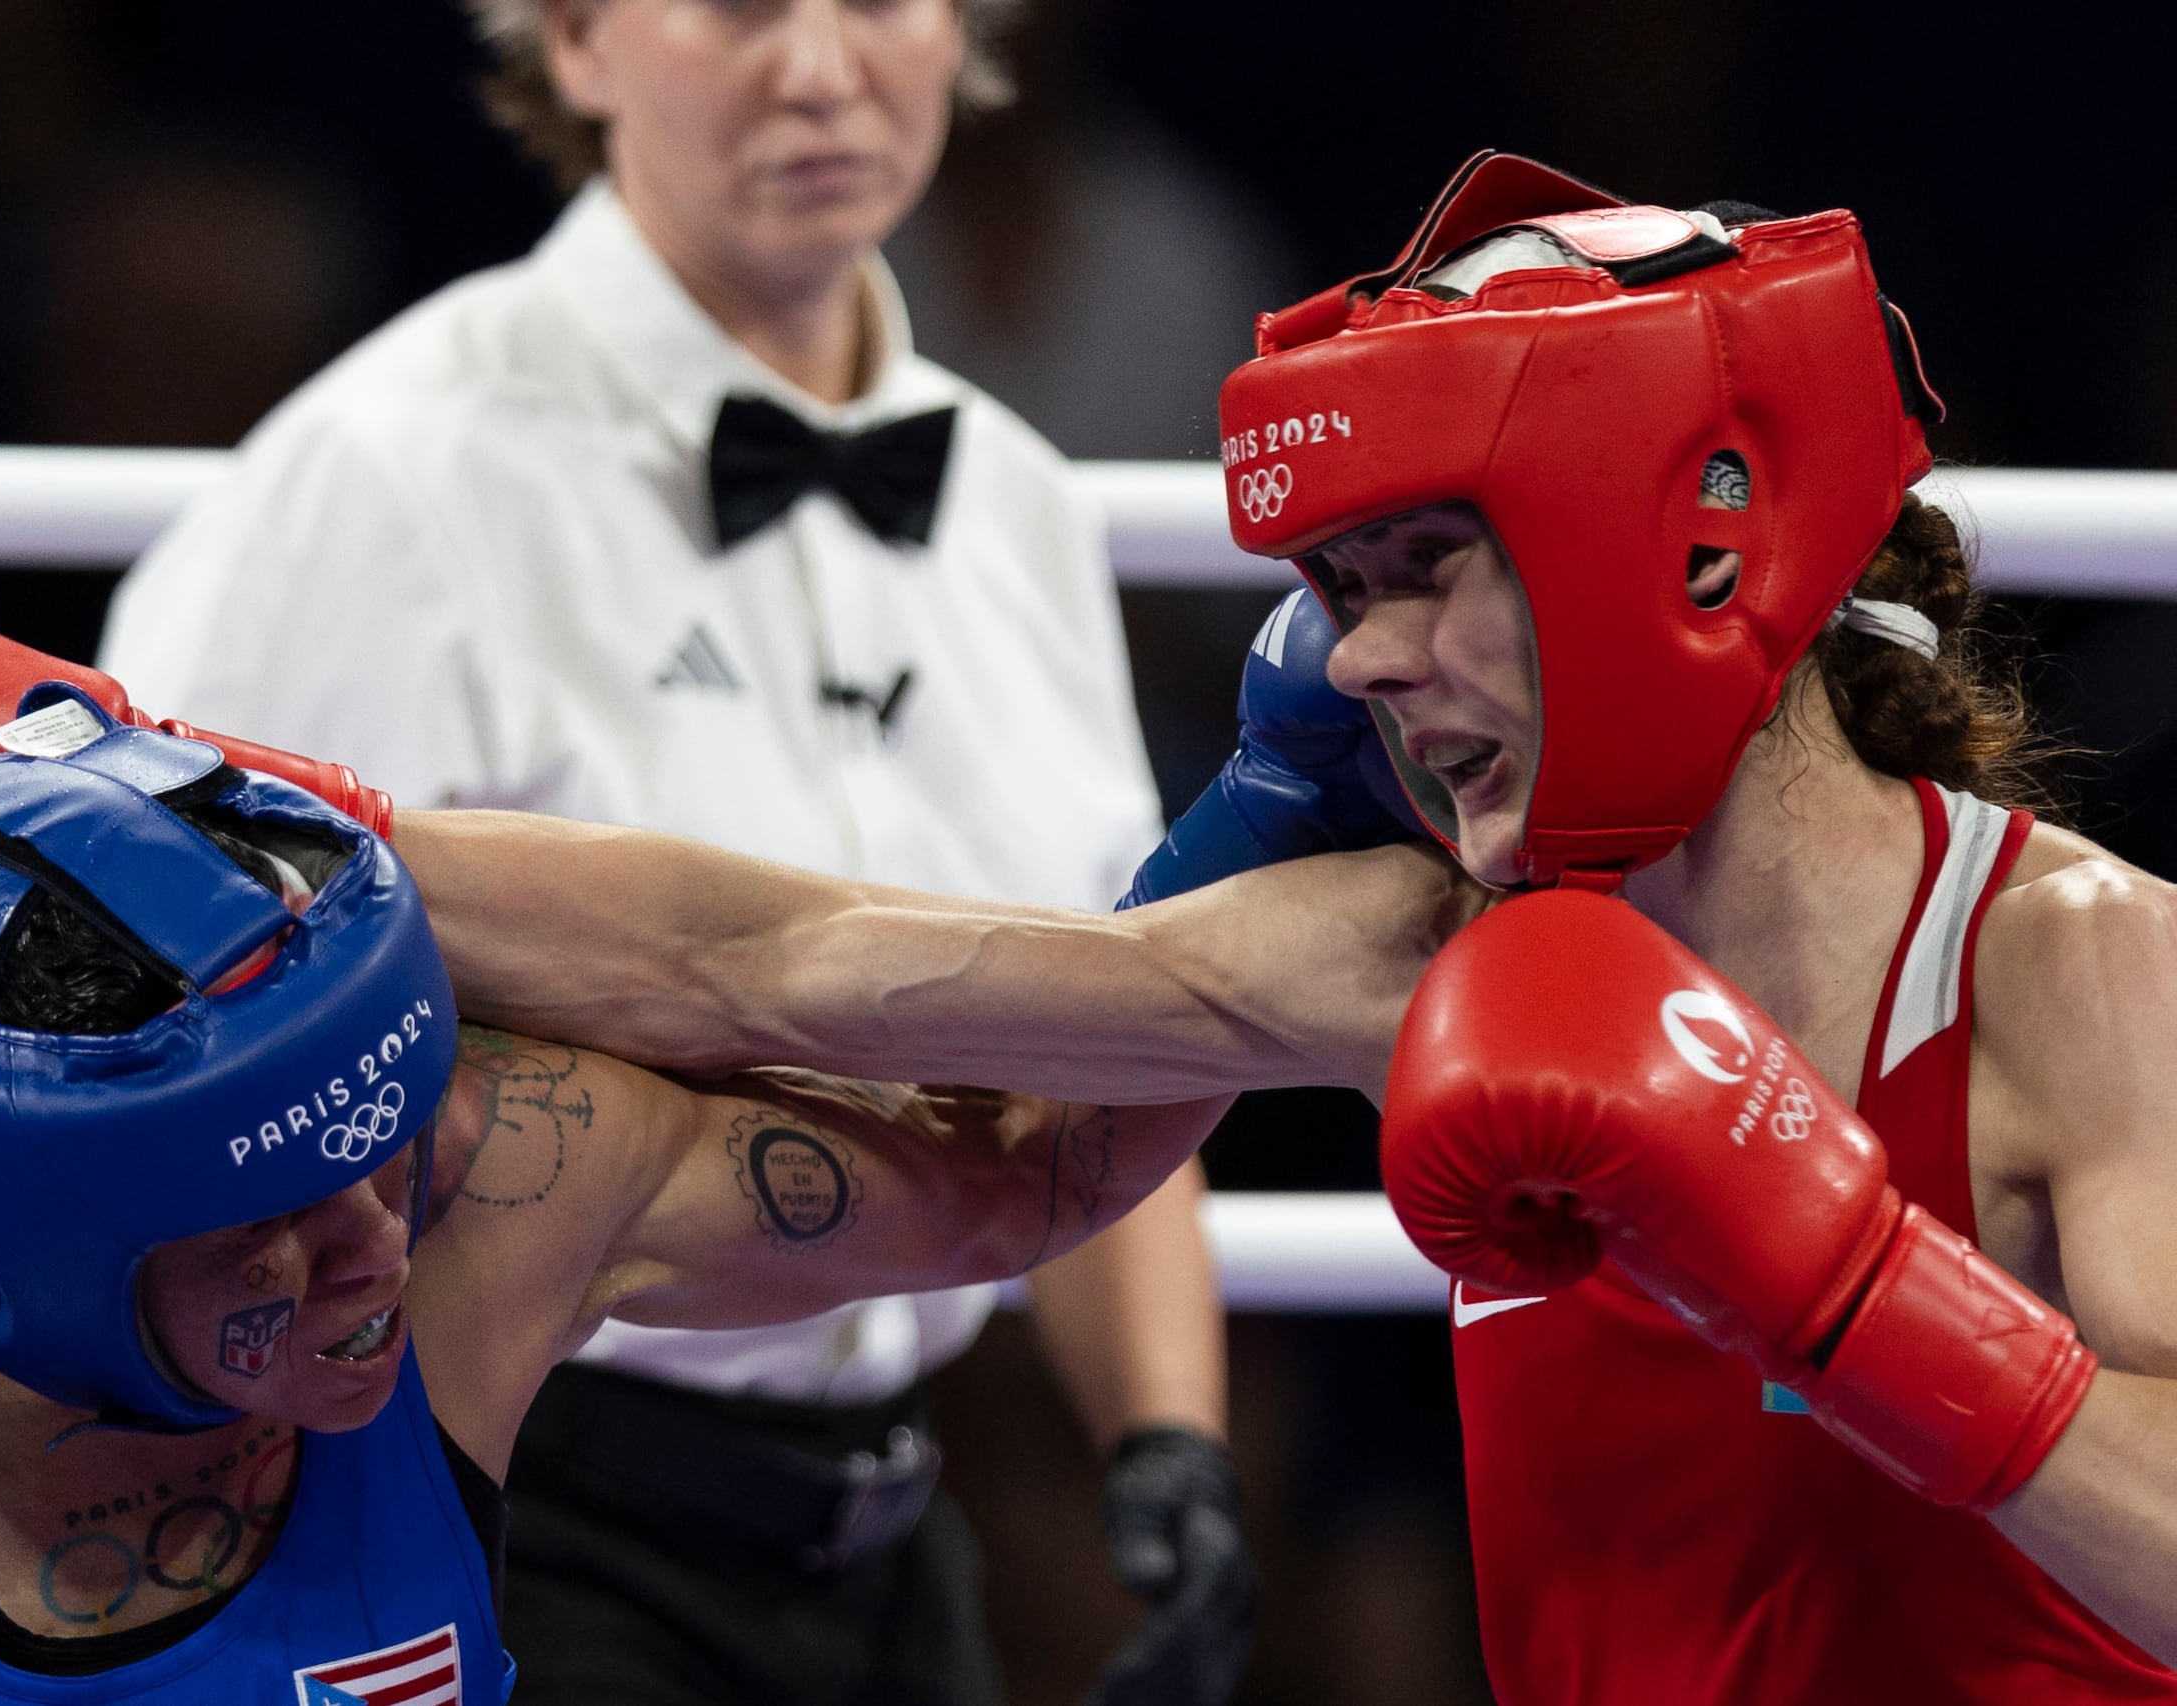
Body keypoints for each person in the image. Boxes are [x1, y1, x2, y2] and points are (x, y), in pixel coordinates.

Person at [236, 154, 2177, 1697]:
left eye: (1423, 567)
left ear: (1692, 535)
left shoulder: (2072, 963)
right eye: (1336, 586)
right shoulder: (1425, 954)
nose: (1365, 660)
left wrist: (1845, 1291)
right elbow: (778, 960)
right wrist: (185, 799)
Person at [90, 0, 1247, 1699]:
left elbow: (1108, 1031)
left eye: (877, 3)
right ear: (572, 41)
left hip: (889, 1535)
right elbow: (158, 1024)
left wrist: (1169, 1445)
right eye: (744, 6)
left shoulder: (1009, 504)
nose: (822, 67)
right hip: (497, 1502)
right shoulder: (381, 475)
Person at [0, 688, 1227, 1705]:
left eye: (376, 1155)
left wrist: (1287, 792)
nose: (376, 1248)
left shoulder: (494, 1211)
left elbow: (1018, 1168)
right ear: (14, 1259)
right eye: (271, 1220)